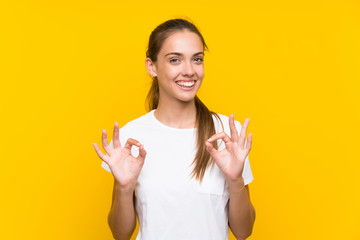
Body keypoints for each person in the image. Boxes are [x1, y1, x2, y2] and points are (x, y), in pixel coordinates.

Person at [92, 18, 255, 240]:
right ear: (152, 67)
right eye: (175, 60)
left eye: (197, 59)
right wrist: (124, 187)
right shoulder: (132, 137)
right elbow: (120, 234)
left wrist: (235, 179)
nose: (189, 71)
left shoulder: (227, 133)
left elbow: (244, 231)